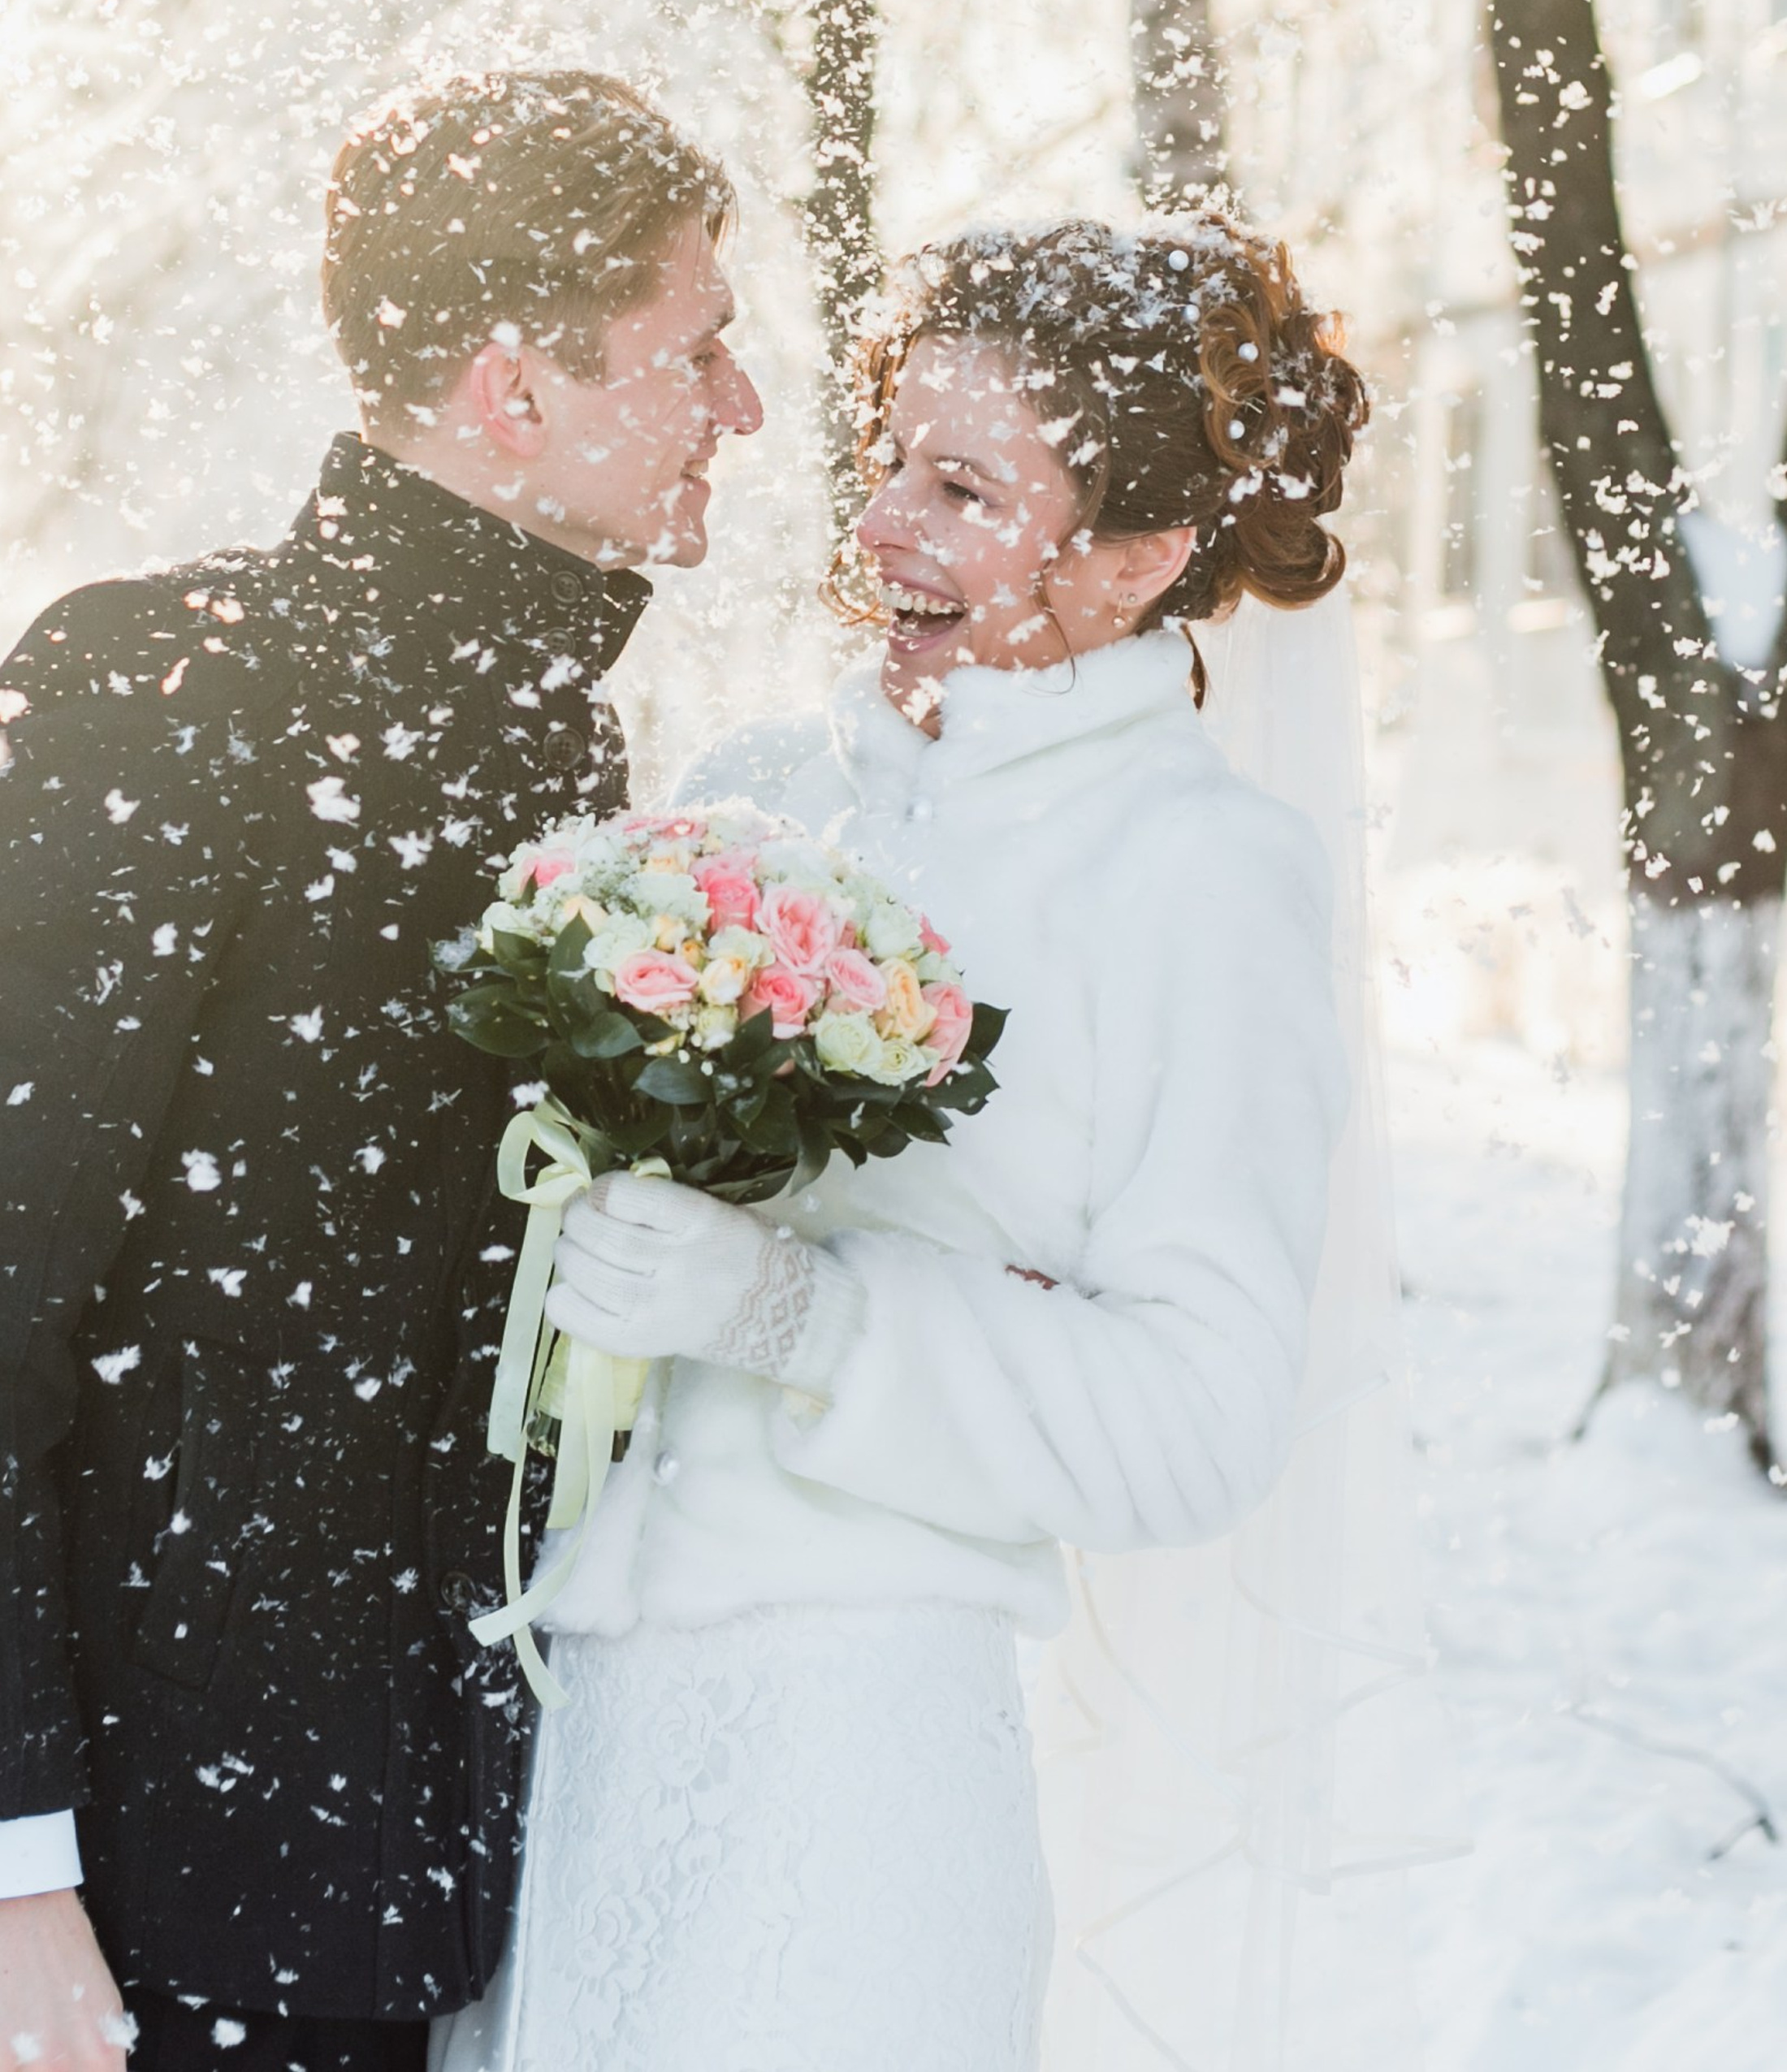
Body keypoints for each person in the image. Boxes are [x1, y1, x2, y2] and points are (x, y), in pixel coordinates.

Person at [432, 210, 1369, 2072]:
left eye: (960, 486)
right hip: (575, 1712)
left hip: (855, 1760)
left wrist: (801, 1316)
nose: (874, 528)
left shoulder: (1201, 881)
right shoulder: (750, 797)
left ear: (1140, 555)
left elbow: (1198, 1418)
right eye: (882, 463)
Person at [0, 69, 762, 2072]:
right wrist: (12, 1872)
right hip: (144, 1907)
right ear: (516, 395)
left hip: (431, 1873)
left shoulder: (569, 758)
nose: (742, 411)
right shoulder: (158, 698)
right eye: (697, 349)